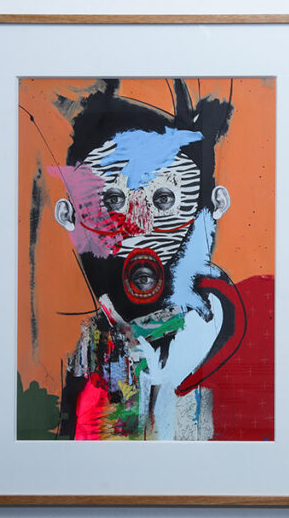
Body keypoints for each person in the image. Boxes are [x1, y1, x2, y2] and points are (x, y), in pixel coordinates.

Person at [50, 79, 273, 441]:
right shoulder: (91, 360)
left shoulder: (268, 319)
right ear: (69, 217)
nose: (139, 229)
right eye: (112, 201)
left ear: (213, 206)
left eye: (164, 200)